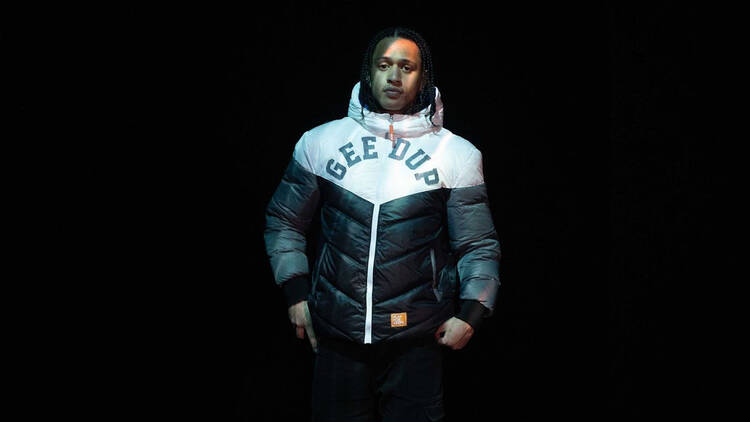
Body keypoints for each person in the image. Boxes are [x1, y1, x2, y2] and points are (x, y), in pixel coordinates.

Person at [264, 26, 501, 422]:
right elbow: (284, 220)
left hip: (417, 340)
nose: (394, 76)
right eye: (384, 65)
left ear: (422, 77)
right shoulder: (320, 142)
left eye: (406, 67)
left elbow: (478, 244)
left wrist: (472, 313)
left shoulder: (457, 154)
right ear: (368, 72)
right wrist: (295, 294)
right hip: (337, 336)